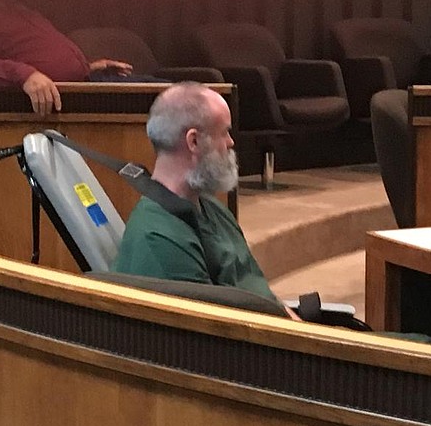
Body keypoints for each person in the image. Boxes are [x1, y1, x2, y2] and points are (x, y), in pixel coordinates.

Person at [112, 82, 298, 318]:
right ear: (194, 142)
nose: (231, 142)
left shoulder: (210, 206)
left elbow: (255, 290)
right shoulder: (159, 239)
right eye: (224, 132)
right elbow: (208, 341)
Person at [0, 0, 161, 116]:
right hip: (66, 101)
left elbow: (32, 47)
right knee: (174, 106)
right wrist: (25, 75)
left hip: (90, 80)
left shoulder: (10, 4)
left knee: (180, 95)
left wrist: (87, 66)